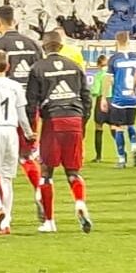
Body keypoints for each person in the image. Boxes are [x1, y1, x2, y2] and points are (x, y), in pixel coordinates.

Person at [28, 29, 94, 233]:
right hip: (74, 119)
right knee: (73, 171)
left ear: (44, 46)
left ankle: (49, 221)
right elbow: (87, 98)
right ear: (61, 46)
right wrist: (82, 124)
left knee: (46, 173)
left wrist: (31, 130)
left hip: (53, 121)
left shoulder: (38, 68)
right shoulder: (74, 66)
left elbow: (31, 103)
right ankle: (80, 203)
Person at [0, 6, 46, 203]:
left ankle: (0, 208)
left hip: (3, 111)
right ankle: (39, 192)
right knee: (26, 156)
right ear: (15, 21)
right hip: (29, 107)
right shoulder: (34, 44)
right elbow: (41, 75)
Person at [0, 50, 32, 236]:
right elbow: (22, 114)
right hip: (11, 132)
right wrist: (28, 132)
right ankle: (6, 222)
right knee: (7, 177)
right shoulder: (15, 86)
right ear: (8, 67)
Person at [106, 31, 136, 167]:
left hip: (119, 99)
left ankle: (121, 159)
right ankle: (134, 147)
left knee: (118, 127)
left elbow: (108, 79)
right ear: (128, 41)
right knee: (131, 124)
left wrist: (104, 98)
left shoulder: (114, 59)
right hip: (133, 98)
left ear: (116, 42)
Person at [88, 55, 110, 162]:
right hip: (112, 100)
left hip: (101, 100)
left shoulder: (99, 75)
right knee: (115, 127)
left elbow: (96, 91)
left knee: (98, 127)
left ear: (98, 65)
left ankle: (98, 156)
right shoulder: (112, 74)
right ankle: (122, 154)